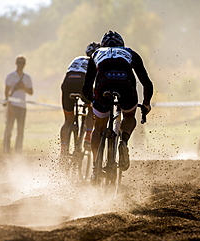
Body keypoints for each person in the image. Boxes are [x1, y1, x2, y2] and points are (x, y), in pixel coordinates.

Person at [83, 30, 153, 176]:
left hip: (103, 87)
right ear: (122, 44)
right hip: (126, 86)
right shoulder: (130, 52)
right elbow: (146, 83)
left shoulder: (96, 53)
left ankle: (96, 167)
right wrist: (146, 104)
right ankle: (124, 142)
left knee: (99, 127)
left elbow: (87, 85)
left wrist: (93, 101)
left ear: (102, 44)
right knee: (128, 116)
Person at [60, 42, 100, 154]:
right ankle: (88, 136)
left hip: (67, 83)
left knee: (68, 121)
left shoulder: (77, 59)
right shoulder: (96, 61)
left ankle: (63, 149)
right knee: (92, 108)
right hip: (82, 82)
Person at [3, 55, 33, 154]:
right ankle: (6, 149)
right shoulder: (10, 76)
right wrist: (9, 106)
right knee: (9, 128)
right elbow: (6, 93)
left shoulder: (27, 78)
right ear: (16, 63)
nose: (21, 65)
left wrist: (23, 87)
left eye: (22, 63)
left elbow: (31, 92)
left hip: (22, 106)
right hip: (13, 105)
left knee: (20, 130)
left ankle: (18, 151)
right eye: (19, 62)